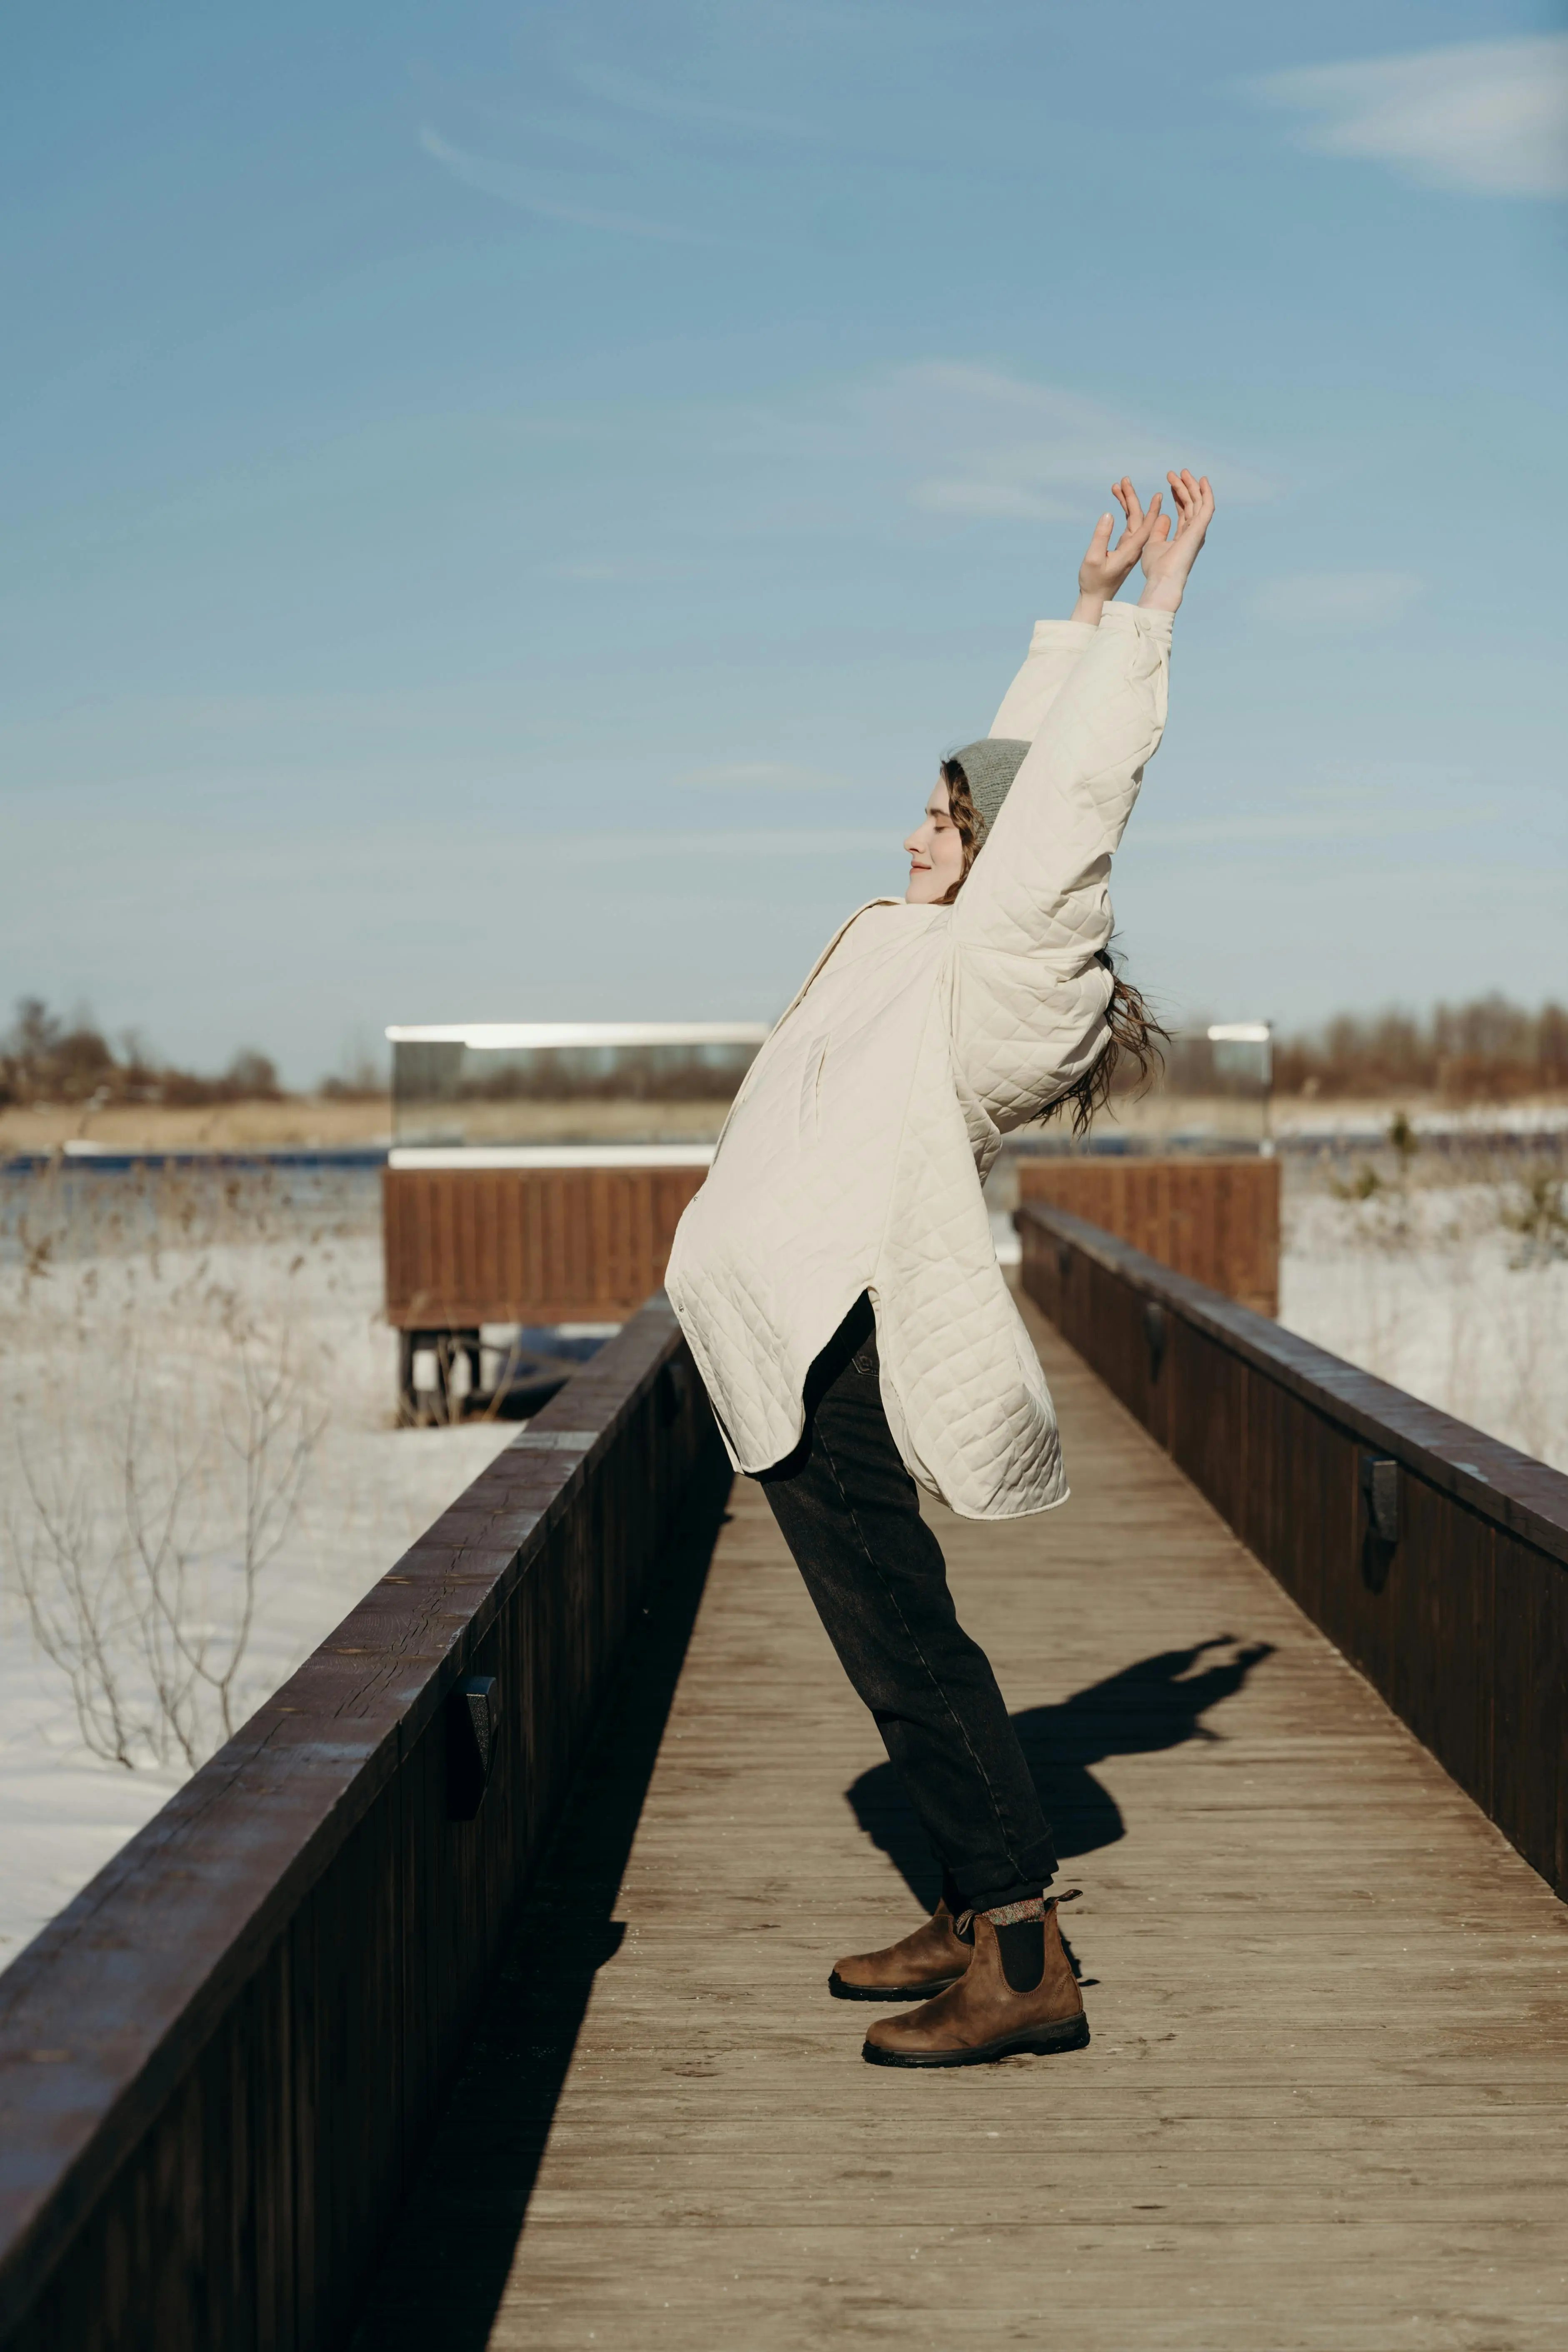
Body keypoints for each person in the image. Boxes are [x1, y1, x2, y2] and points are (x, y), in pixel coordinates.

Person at [665, 471, 1216, 2067]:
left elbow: (1063, 806)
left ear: (989, 864)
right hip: (781, 1327)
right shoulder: (936, 933)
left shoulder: (1006, 970)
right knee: (885, 1638)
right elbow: (1014, 772)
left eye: (935, 824)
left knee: (906, 1641)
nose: (912, 836)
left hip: (834, 1328)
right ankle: (974, 1908)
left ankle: (1023, 1950)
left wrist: (1155, 614)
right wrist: (1082, 608)